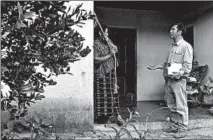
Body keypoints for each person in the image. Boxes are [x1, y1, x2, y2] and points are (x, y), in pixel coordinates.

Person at [147, 22, 193, 138]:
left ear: (180, 32)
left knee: (181, 105)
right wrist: (157, 67)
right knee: (172, 105)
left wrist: (180, 73)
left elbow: (187, 66)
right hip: (169, 80)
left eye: (173, 29)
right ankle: (174, 126)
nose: (170, 31)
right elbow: (168, 64)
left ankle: (182, 129)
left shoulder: (186, 47)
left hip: (178, 81)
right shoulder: (171, 47)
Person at [93, 23, 125, 126]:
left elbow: (116, 49)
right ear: (99, 33)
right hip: (102, 73)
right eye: (105, 32)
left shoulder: (108, 42)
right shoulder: (96, 44)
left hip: (111, 72)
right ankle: (102, 118)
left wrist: (108, 42)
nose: (107, 34)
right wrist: (110, 55)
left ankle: (117, 116)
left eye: (107, 33)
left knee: (114, 95)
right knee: (103, 97)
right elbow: (96, 60)